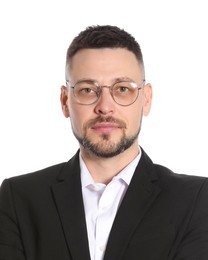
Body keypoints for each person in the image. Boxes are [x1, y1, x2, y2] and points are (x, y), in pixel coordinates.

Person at [0, 25, 208, 260]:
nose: (105, 106)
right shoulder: (19, 198)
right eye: (88, 90)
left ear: (146, 99)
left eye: (122, 89)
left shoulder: (196, 200)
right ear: (65, 101)